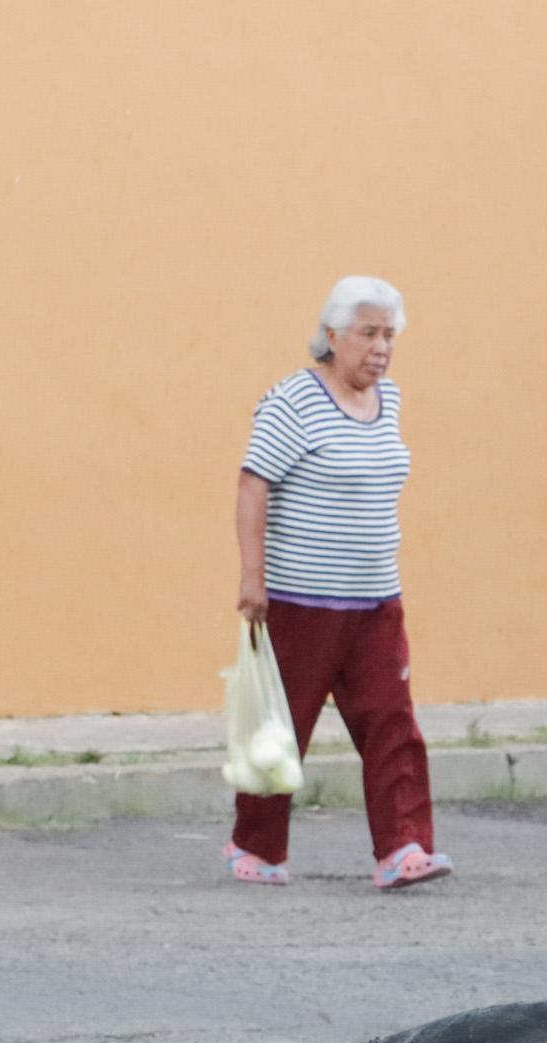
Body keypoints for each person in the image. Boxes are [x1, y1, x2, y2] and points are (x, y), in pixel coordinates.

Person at [226, 275, 449, 889]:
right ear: (331, 336)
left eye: (390, 335)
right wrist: (253, 576)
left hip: (377, 600)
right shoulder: (293, 401)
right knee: (283, 729)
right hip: (302, 603)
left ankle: (404, 849)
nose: (381, 347)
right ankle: (256, 846)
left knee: (391, 722)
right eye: (368, 333)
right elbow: (253, 484)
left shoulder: (390, 400)